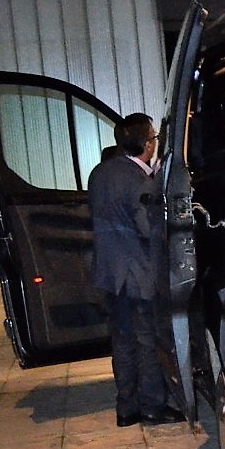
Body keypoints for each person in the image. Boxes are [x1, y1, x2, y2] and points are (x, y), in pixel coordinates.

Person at [88, 113, 182, 427]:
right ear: (147, 144)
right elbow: (147, 228)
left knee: (122, 342)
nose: (155, 142)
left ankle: (126, 408)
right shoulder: (140, 181)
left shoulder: (100, 172)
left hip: (109, 274)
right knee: (147, 342)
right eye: (154, 137)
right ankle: (153, 406)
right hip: (138, 275)